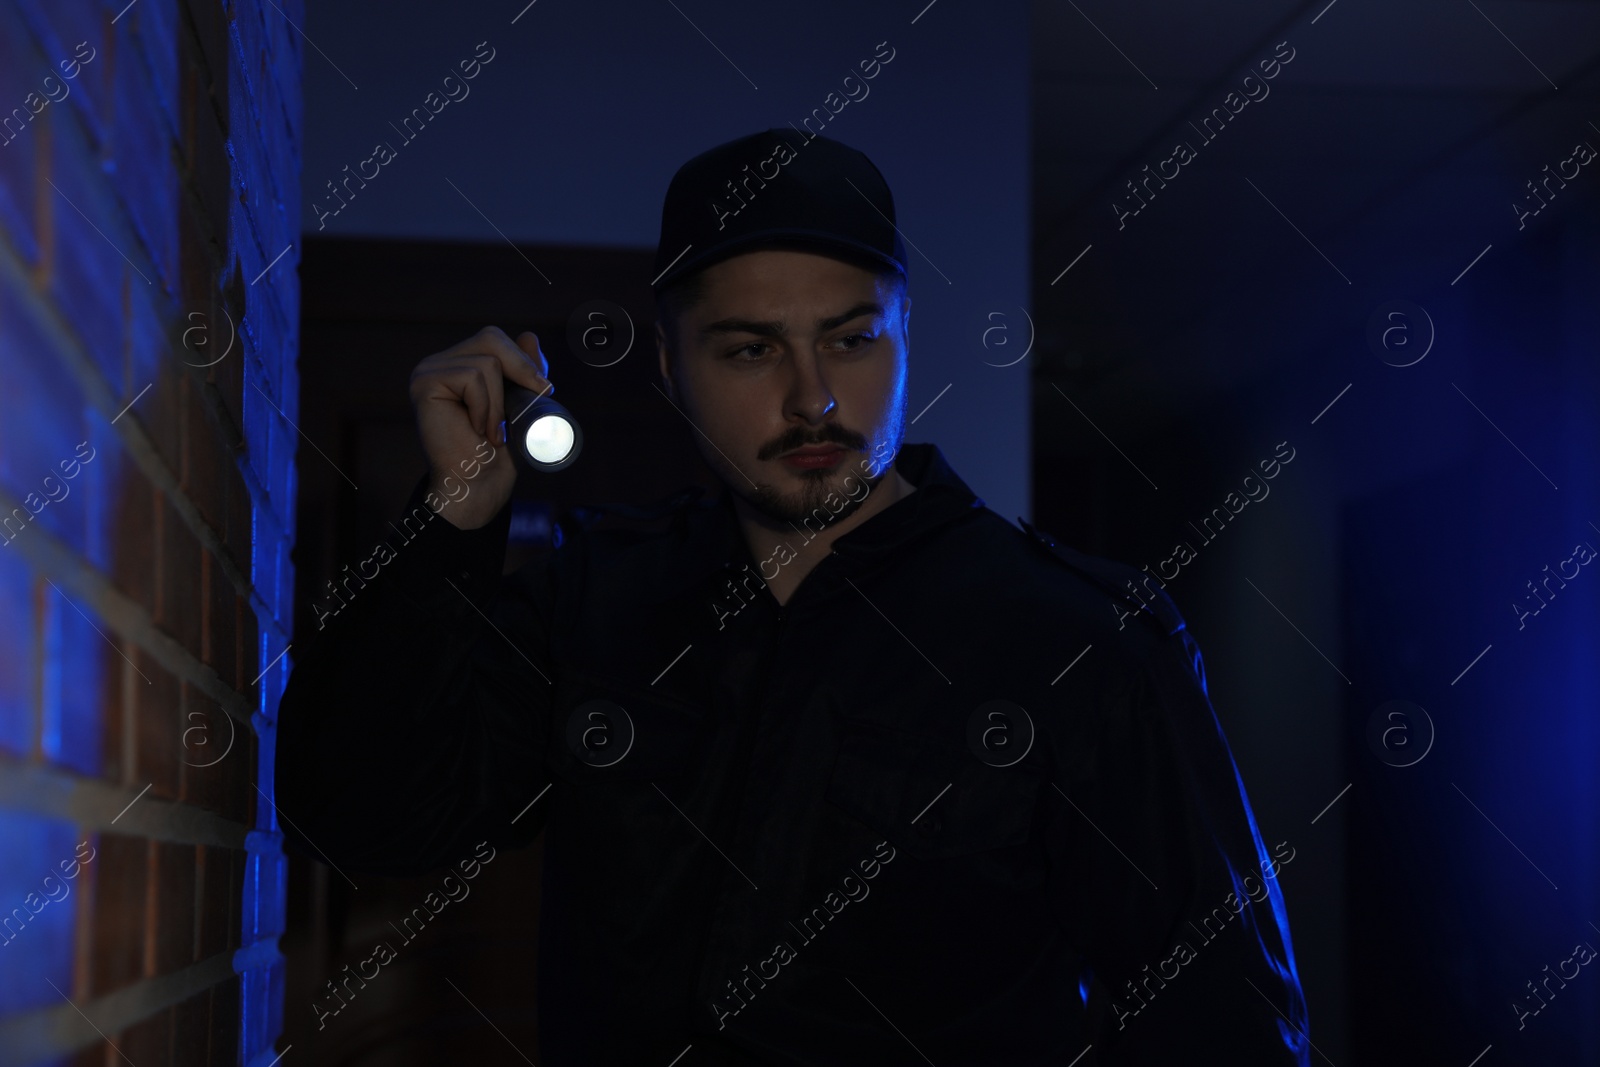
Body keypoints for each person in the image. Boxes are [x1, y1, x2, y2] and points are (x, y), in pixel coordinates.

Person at [274, 128, 1311, 1065]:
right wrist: (449, 524)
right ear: (673, 367)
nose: (813, 395)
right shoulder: (598, 594)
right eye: (751, 348)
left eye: (853, 339)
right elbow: (366, 822)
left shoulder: (1082, 639)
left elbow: (1229, 1029)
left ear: (904, 336)